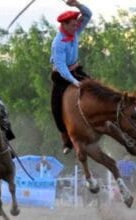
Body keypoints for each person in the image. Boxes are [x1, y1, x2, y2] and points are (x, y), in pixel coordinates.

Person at [50, 0, 92, 155]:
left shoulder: (74, 31)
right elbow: (61, 68)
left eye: (76, 25)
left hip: (76, 70)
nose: (77, 27)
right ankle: (66, 141)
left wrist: (77, 4)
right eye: (73, 25)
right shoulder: (58, 43)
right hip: (61, 76)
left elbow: (88, 15)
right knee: (55, 108)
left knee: (97, 89)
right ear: (65, 25)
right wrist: (75, 82)